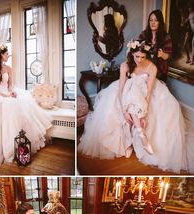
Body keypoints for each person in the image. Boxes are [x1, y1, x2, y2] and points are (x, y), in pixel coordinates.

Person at [78, 39, 192, 174]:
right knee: (131, 92)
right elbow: (121, 89)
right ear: (132, 54)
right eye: (137, 56)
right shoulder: (125, 66)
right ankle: (138, 136)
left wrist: (145, 111)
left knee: (138, 95)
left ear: (147, 56)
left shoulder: (152, 67)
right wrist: (123, 110)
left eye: (143, 57)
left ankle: (137, 135)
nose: (139, 59)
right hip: (126, 93)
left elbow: (149, 92)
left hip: (144, 95)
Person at [138, 9, 172, 82]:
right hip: (144, 71)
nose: (153, 23)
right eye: (151, 20)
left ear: (160, 22)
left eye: (156, 20)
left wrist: (163, 54)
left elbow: (169, 57)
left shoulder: (166, 37)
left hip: (159, 73)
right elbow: (137, 51)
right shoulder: (143, 34)